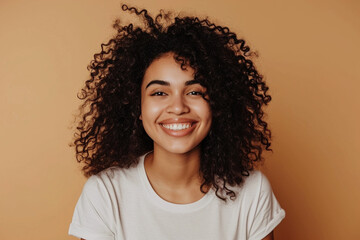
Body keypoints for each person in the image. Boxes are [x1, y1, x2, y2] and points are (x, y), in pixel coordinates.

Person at [69, 4, 285, 240]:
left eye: (194, 92)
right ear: (137, 107)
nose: (178, 107)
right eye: (159, 93)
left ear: (217, 103)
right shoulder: (106, 193)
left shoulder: (252, 192)